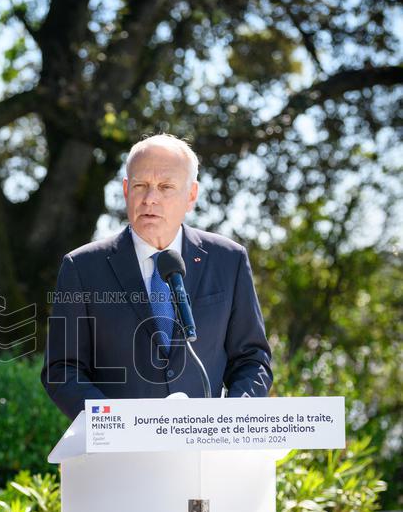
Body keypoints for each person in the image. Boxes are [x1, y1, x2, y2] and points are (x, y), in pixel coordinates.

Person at [41, 134, 273, 420]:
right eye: (140, 185)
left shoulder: (228, 260)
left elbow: (252, 359)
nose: (150, 199)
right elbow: (62, 369)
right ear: (126, 190)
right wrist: (112, 424)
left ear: (191, 195)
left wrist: (232, 421)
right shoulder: (82, 267)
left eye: (165, 187)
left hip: (205, 442)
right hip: (117, 444)